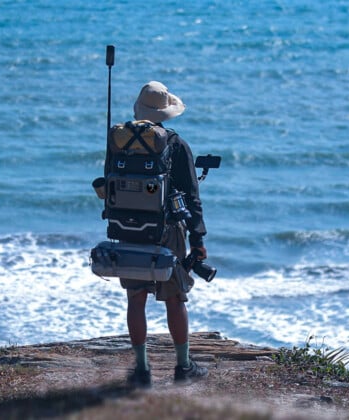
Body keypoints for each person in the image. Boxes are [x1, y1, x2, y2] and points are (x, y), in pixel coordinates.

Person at [120, 81, 209, 386]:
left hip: (129, 229)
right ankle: (183, 367)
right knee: (174, 299)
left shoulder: (119, 142)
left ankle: (142, 370)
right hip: (167, 232)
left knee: (136, 298)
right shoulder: (176, 144)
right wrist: (198, 239)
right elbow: (193, 198)